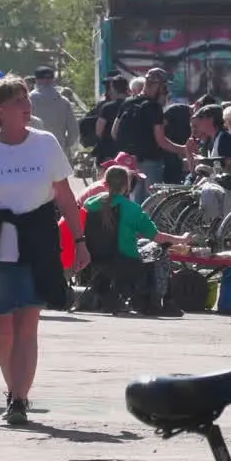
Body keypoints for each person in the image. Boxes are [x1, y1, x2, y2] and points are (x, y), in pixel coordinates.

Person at [0, 75, 88, 425]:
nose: (28, 106)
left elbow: (66, 197)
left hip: (38, 244)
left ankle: (19, 398)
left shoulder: (46, 143)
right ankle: (14, 389)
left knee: (28, 325)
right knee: (3, 329)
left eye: (28, 99)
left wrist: (80, 240)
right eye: (19, 101)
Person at [82, 165, 191, 316]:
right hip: (125, 263)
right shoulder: (132, 209)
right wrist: (181, 239)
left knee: (142, 244)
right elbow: (157, 237)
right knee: (161, 248)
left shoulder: (90, 204)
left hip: (94, 260)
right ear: (127, 185)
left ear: (105, 183)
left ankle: (112, 294)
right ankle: (163, 301)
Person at [112, 68, 188, 202]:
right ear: (157, 86)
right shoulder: (154, 107)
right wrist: (183, 149)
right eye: (164, 87)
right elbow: (161, 141)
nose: (165, 90)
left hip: (128, 162)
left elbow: (114, 133)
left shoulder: (127, 103)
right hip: (150, 162)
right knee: (151, 203)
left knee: (134, 201)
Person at [29, 66, 80, 156]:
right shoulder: (64, 102)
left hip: (34, 152)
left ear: (36, 80)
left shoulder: (28, 101)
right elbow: (74, 132)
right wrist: (64, 145)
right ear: (53, 80)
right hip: (59, 151)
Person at [94, 76, 130, 165]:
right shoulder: (132, 105)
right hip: (128, 152)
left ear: (113, 89)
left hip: (109, 151)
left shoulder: (107, 107)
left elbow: (99, 131)